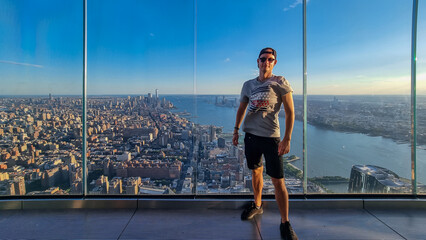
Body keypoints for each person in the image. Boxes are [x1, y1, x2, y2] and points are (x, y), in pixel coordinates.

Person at [232, 47, 298, 240]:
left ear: (274, 62)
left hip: (271, 137)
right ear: (258, 62)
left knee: (278, 180)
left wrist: (287, 138)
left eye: (270, 59)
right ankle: (258, 205)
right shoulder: (248, 85)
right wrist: (236, 130)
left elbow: (290, 112)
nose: (266, 62)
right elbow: (242, 108)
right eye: (263, 59)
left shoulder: (280, 82)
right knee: (256, 171)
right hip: (251, 136)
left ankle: (285, 223)